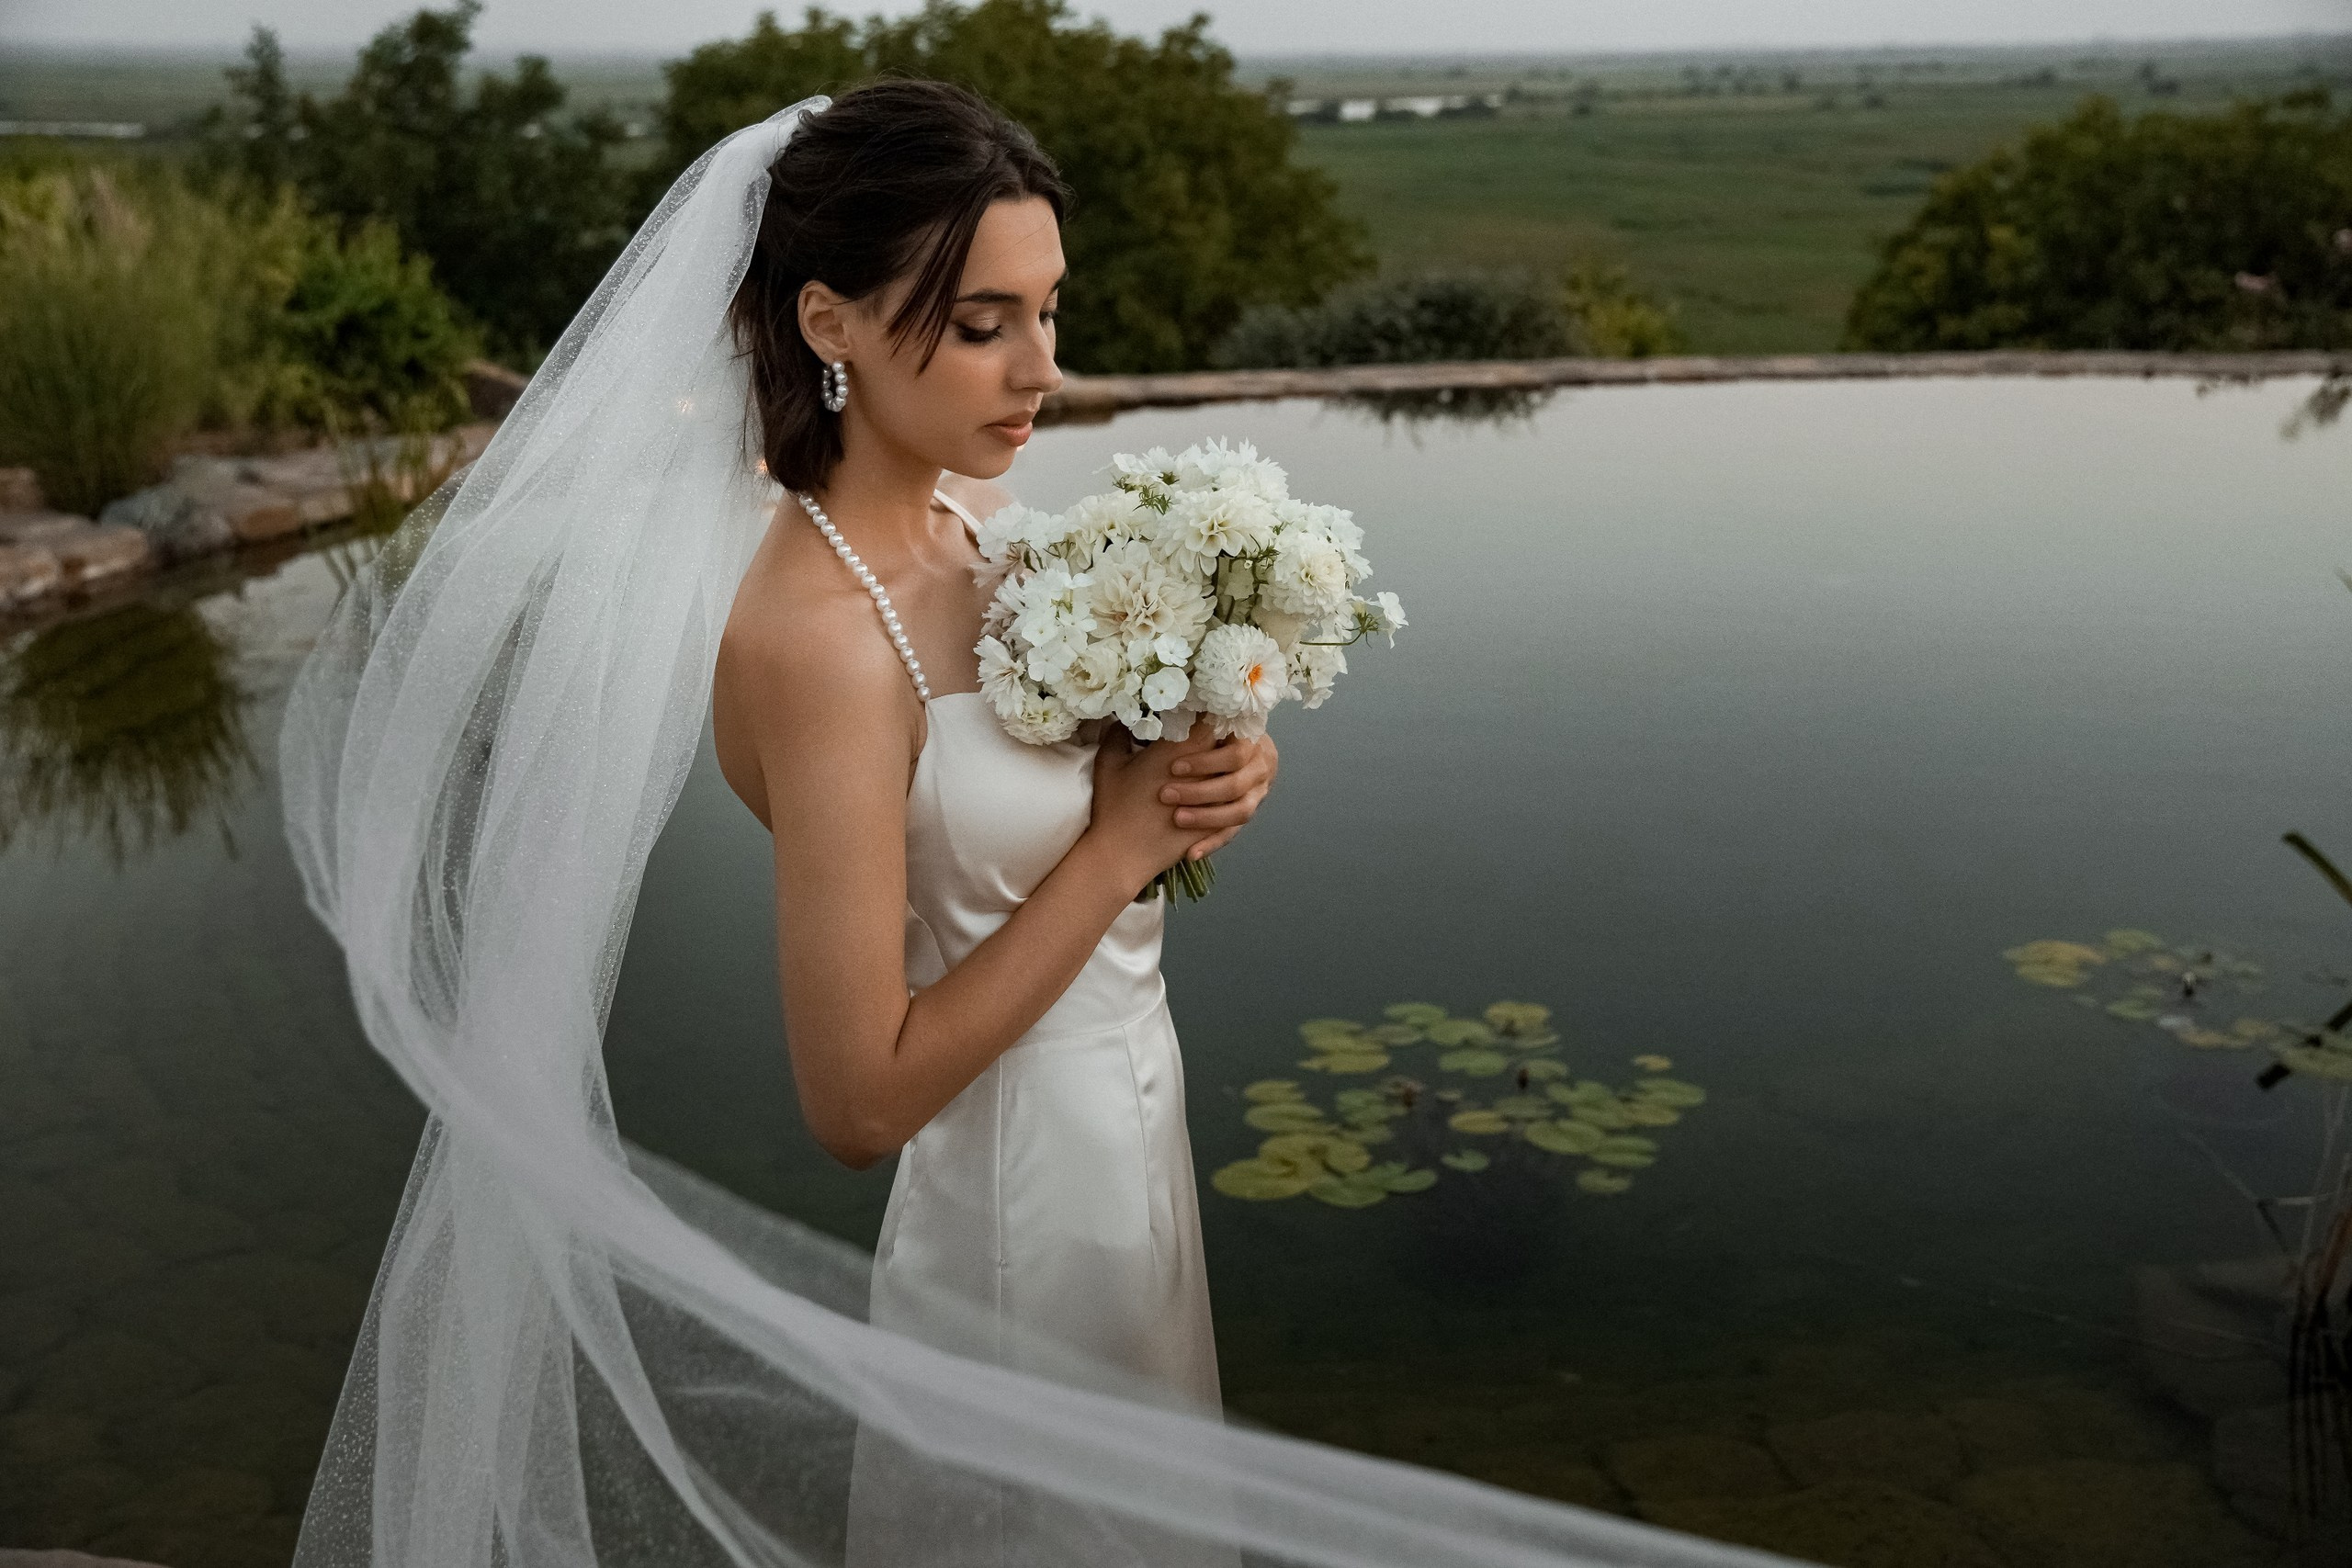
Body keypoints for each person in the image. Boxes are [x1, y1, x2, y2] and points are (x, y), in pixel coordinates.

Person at [281, 74, 1761, 1568]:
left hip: (1130, 1129)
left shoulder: (981, 529)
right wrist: (1117, 851)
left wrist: (1208, 772)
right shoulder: (816, 643)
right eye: (983, 323)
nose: (1041, 367)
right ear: (828, 323)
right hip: (1016, 1199)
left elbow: (1078, 822)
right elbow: (858, 1102)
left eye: (1048, 311)